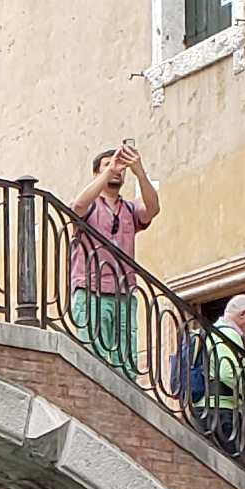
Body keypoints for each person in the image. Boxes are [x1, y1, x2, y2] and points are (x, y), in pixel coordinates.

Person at [70, 142, 157, 374]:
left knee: (126, 363)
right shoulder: (90, 205)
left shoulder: (129, 209)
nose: (117, 169)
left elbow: (152, 209)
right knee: (93, 358)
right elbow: (76, 206)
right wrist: (109, 170)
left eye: (120, 167)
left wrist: (139, 171)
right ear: (96, 173)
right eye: (108, 166)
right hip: (91, 291)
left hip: (123, 294)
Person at [186, 293, 245, 455]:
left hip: (203, 409)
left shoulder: (210, 332)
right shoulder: (228, 334)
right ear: (243, 315)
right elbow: (227, 373)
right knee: (230, 465)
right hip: (221, 411)